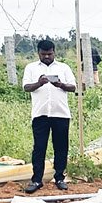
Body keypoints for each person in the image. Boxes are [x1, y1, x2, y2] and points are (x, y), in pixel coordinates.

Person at [21, 39, 77, 193]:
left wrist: (61, 85)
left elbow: (73, 87)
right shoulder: (31, 68)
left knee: (61, 147)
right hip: (40, 114)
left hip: (61, 114)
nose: (47, 57)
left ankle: (59, 178)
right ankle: (36, 180)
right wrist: (39, 83)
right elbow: (26, 87)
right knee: (39, 148)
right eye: (44, 54)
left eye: (49, 54)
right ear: (38, 52)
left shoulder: (63, 67)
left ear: (54, 52)